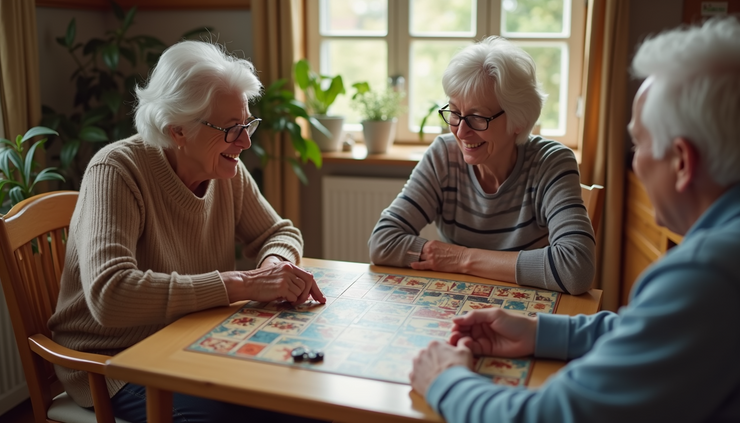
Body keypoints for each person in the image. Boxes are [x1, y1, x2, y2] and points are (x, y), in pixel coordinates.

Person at [409, 17, 740, 423]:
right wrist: (542, 332)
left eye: (638, 143)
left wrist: (445, 379)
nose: (633, 162)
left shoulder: (706, 273)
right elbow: (647, 329)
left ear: (682, 161)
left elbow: (550, 416)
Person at [48, 40, 326, 423]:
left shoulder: (224, 168)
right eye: (231, 129)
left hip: (193, 339)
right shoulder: (116, 170)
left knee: (305, 400)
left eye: (247, 124)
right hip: (114, 361)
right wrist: (243, 283)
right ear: (177, 130)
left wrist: (272, 268)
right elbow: (109, 294)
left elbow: (279, 232)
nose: (245, 142)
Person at [368, 36, 595, 295]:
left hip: (525, 319)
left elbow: (576, 269)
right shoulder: (444, 156)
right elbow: (382, 242)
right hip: (457, 308)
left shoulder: (550, 163)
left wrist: (462, 259)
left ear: (518, 120)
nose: (461, 132)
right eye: (454, 113)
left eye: (477, 117)